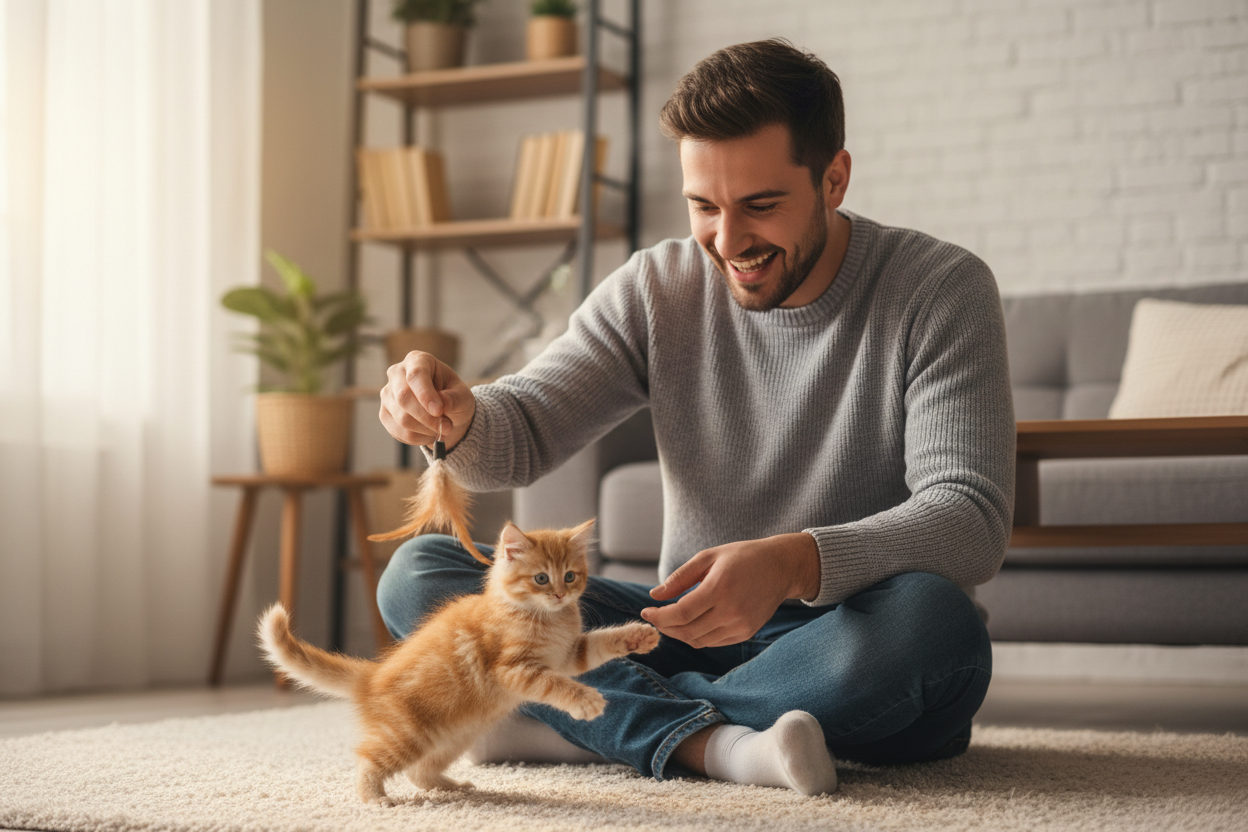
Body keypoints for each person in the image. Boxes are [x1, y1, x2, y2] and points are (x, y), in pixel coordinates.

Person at [376, 38, 1015, 796]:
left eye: (761, 206)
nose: (728, 241)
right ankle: (718, 745)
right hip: (674, 631)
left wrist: (790, 562)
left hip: (849, 634)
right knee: (419, 575)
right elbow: (524, 431)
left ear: (834, 178)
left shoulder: (940, 289)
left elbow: (968, 519)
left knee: (936, 625)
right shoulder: (659, 286)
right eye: (704, 206)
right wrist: (456, 414)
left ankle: (592, 724)